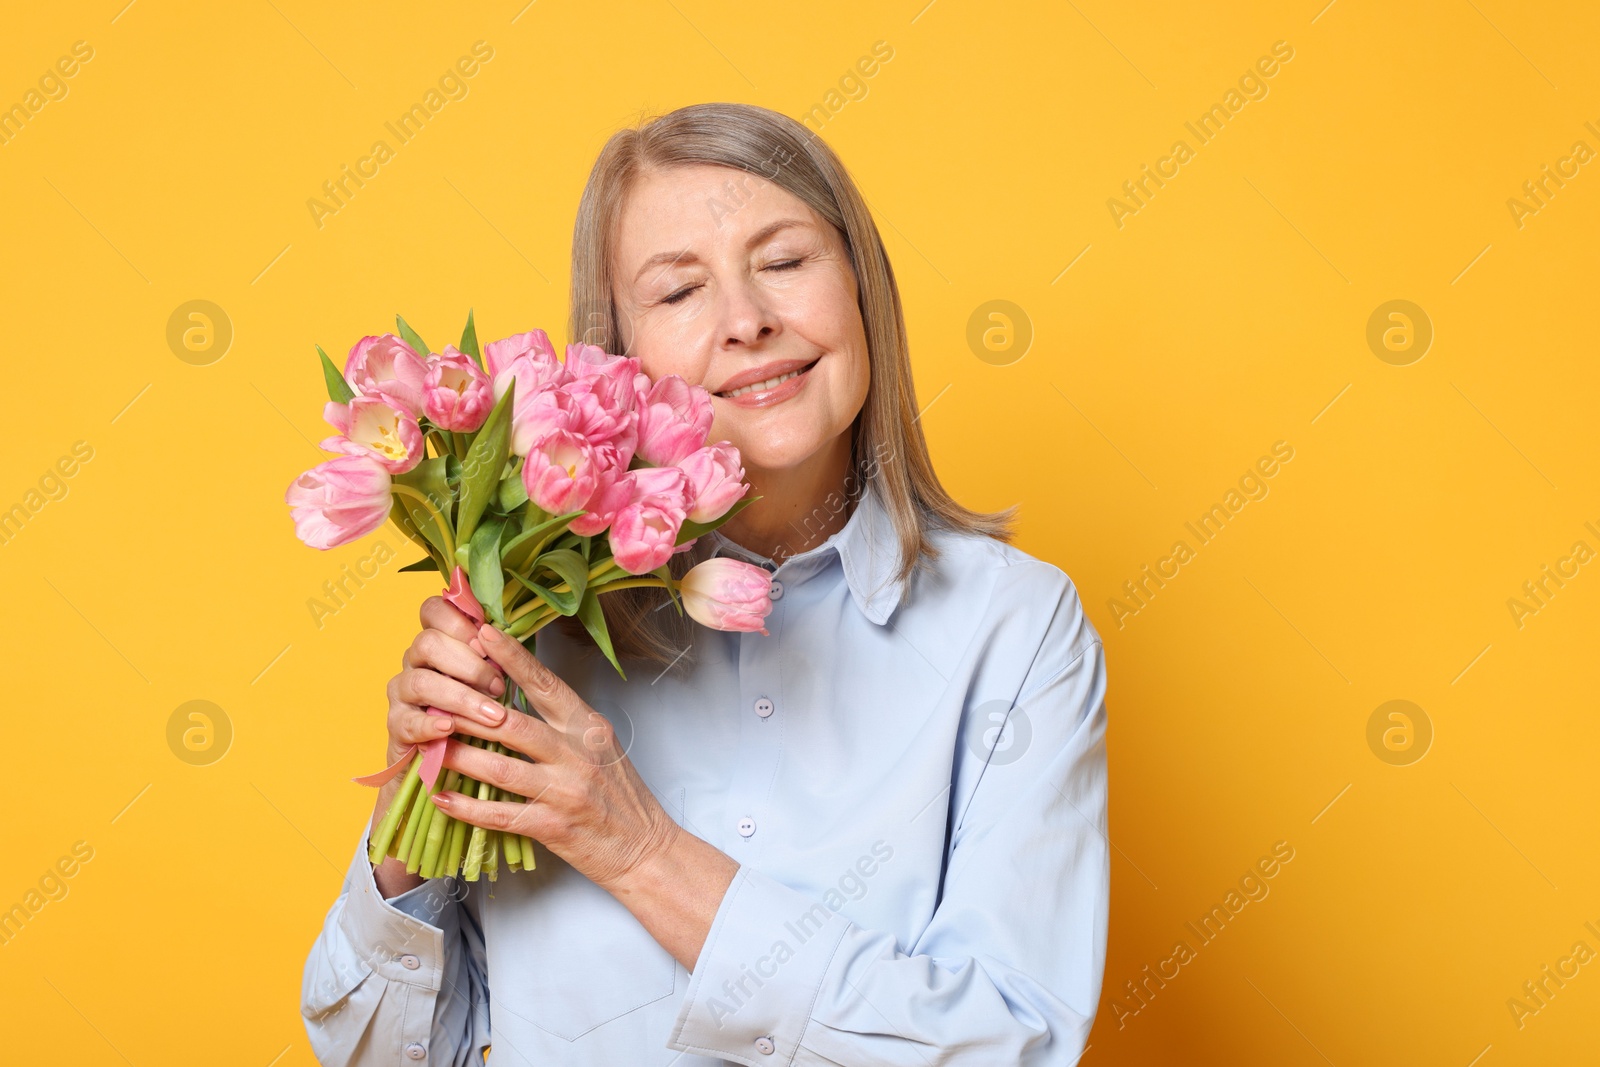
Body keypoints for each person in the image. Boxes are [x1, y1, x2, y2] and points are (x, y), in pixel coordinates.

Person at [301, 101, 1109, 1066]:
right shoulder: (532, 623)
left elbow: (1006, 1046)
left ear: (862, 288)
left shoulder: (1016, 628)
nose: (747, 321)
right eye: (680, 290)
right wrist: (414, 811)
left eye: (783, 261)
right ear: (618, 355)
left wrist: (637, 848)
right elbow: (382, 1055)